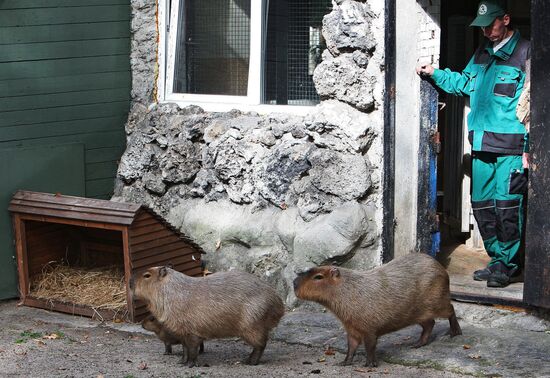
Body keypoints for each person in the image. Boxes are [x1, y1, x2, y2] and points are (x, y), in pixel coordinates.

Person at [416, 0, 530, 288]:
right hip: (481, 144)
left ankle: (509, 264)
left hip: (512, 148)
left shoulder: (526, 53)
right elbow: (465, 83)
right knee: (481, 205)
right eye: (482, 28)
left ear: (505, 19)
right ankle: (497, 259)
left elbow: (535, 104)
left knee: (507, 207)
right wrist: (435, 73)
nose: (486, 33)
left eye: (490, 26)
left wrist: (531, 148)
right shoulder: (481, 53)